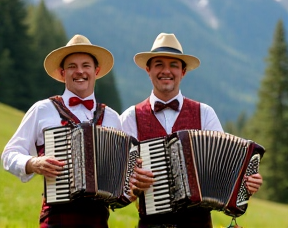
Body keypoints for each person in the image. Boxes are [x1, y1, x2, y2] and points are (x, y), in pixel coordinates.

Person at [120, 32, 263, 228]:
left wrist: (247, 184)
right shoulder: (130, 117)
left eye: (174, 65)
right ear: (148, 69)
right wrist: (133, 184)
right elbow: (118, 183)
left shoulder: (205, 114)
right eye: (159, 64)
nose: (166, 71)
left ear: (183, 71)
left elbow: (227, 171)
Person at [1, 34, 129, 228]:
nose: (79, 71)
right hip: (56, 218)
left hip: (99, 220)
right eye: (72, 66)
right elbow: (8, 155)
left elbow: (123, 173)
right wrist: (32, 163)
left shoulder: (112, 117)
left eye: (86, 65)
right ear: (62, 73)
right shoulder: (42, 109)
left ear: (96, 70)